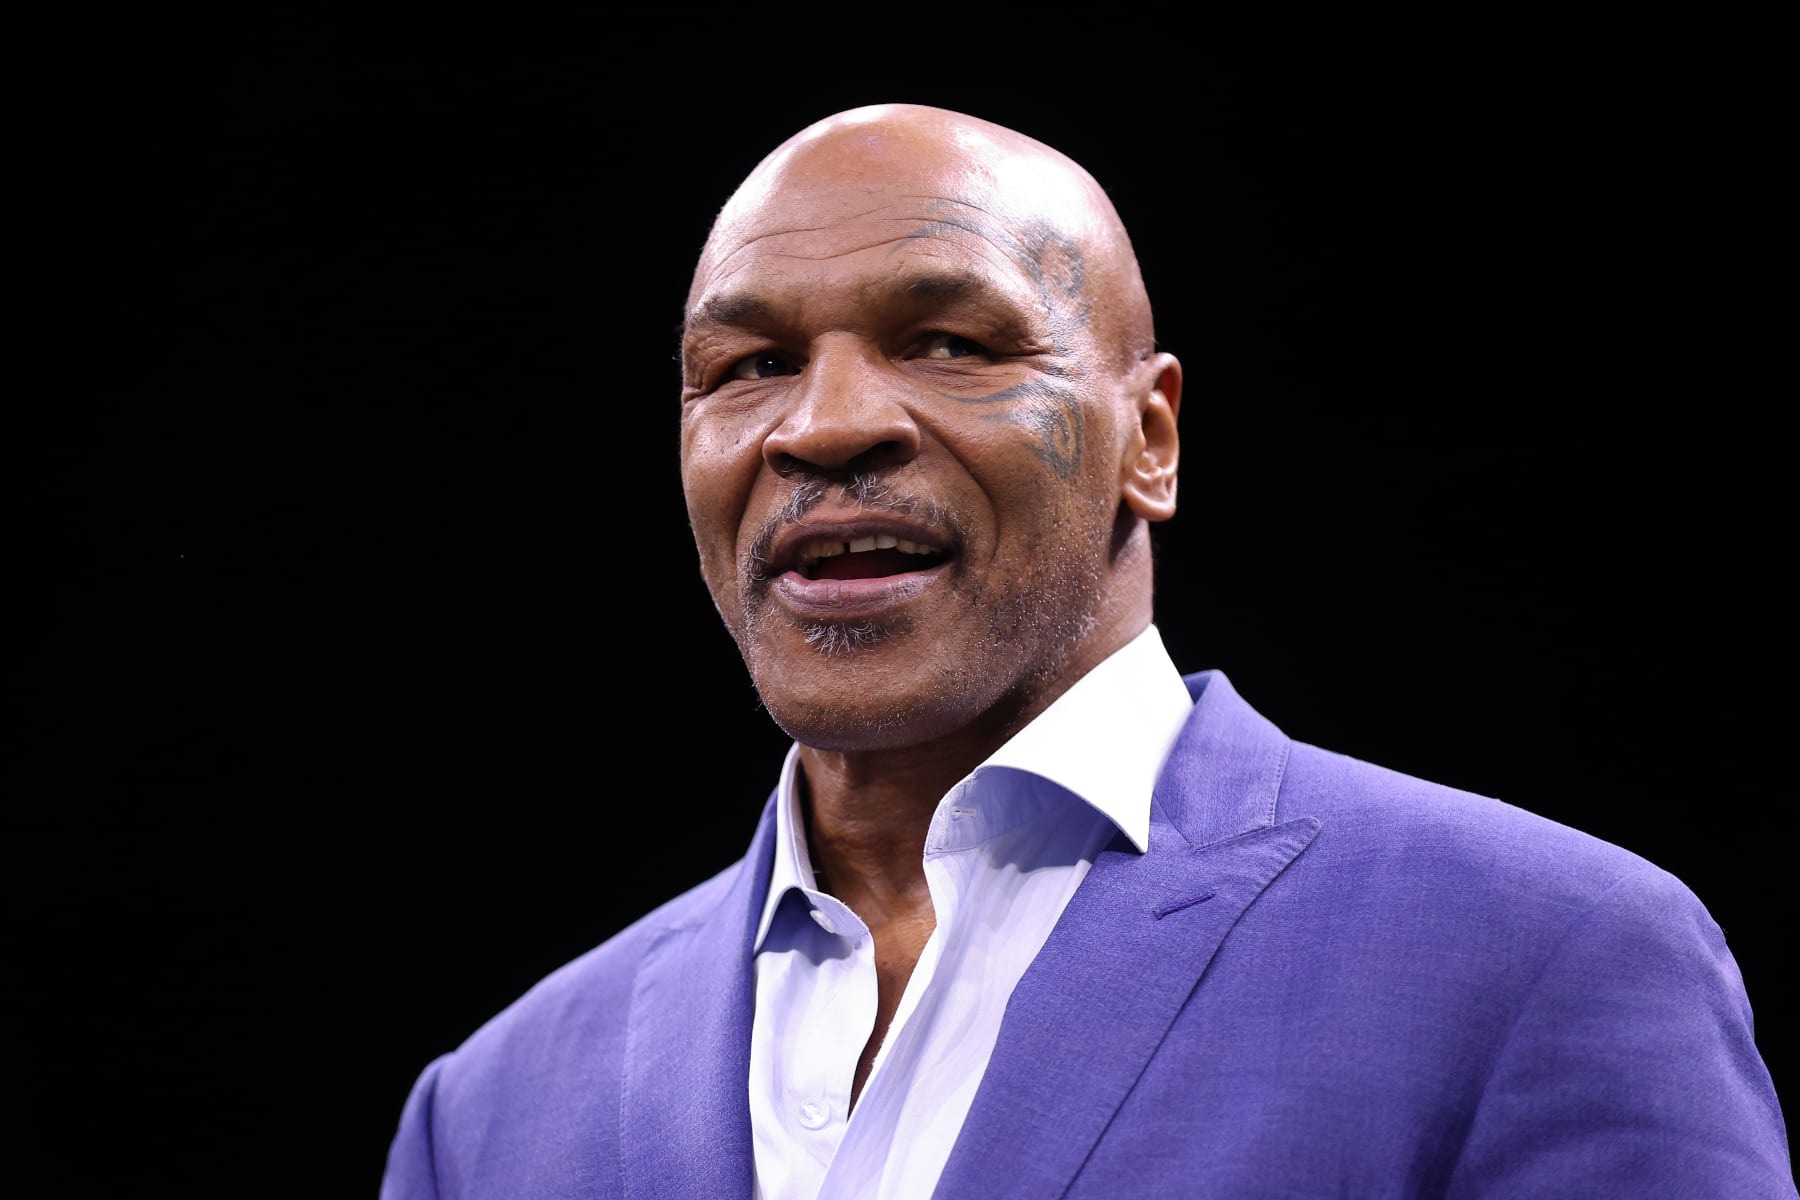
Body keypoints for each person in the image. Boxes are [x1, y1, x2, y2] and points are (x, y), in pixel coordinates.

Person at [379, 102, 1794, 1199]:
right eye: (748, 366)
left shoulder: (1544, 959)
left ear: (1149, 439)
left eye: (948, 340)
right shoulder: (487, 1113)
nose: (823, 424)